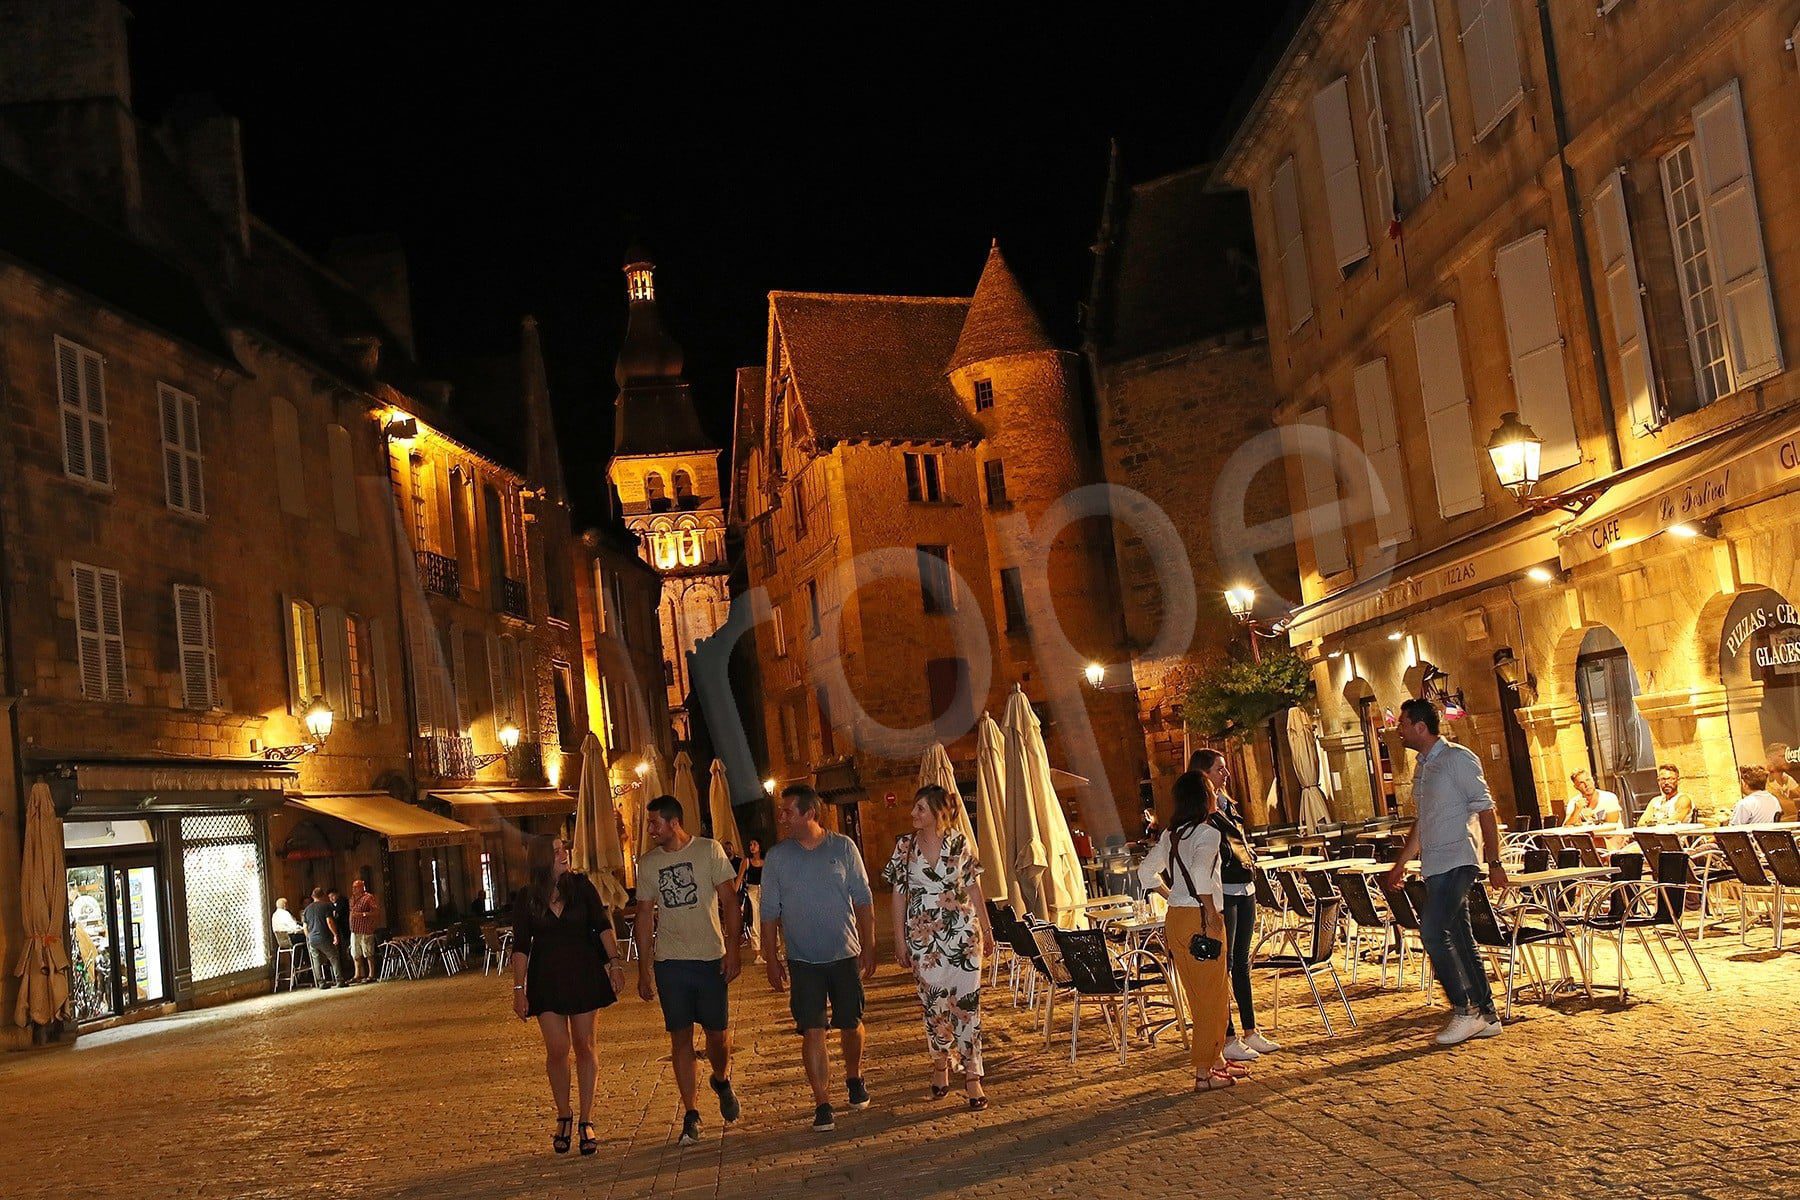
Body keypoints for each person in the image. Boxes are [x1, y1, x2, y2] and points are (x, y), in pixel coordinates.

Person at [1385, 699, 1507, 1046]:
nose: (1399, 731)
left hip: (1459, 859)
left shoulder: (1457, 758)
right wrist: (1402, 861)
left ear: (1420, 727)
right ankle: (1486, 1013)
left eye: (1403, 724)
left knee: (1433, 932)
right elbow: (1423, 822)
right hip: (1434, 865)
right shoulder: (1423, 768)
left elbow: (1485, 809)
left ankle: (1465, 1009)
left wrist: (1494, 862)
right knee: (1461, 937)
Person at [760, 783, 877, 1133]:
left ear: (809, 813)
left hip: (844, 953)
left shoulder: (843, 848)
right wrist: (771, 958)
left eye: (788, 811)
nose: (782, 818)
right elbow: (768, 913)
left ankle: (854, 1077)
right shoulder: (778, 858)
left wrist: (869, 946)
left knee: (850, 1022)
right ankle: (822, 1100)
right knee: (812, 1029)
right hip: (802, 959)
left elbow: (864, 899)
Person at [634, 794, 743, 1147]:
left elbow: (729, 901)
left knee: (717, 1035)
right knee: (679, 1037)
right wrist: (644, 968)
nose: (649, 829)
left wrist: (733, 951)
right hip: (671, 962)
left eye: (654, 823)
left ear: (673, 822)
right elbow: (643, 916)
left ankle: (721, 1079)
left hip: (710, 957)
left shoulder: (708, 851)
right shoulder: (648, 864)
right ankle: (691, 1113)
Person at [511, 835, 626, 1157]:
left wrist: (614, 964)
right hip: (546, 979)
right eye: (557, 851)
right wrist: (518, 989)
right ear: (541, 859)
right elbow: (520, 945)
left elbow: (602, 925)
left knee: (584, 1045)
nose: (565, 854)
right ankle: (564, 1113)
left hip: (584, 972)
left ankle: (586, 1119)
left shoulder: (582, 886)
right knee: (557, 1048)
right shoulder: (527, 897)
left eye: (565, 849)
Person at [884, 785, 994, 1110]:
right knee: (935, 1005)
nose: (913, 814)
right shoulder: (904, 847)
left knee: (968, 1004)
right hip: (924, 939)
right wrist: (899, 941)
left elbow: (974, 887)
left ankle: (973, 1074)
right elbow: (898, 895)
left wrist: (987, 929)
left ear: (937, 812)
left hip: (963, 936)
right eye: (914, 808)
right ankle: (941, 1061)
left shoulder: (959, 843)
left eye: (920, 808)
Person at [1138, 771, 1235, 1090]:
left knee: (1197, 994)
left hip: (1176, 917)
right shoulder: (1208, 834)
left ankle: (1215, 1060)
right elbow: (1198, 871)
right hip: (1200, 917)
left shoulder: (1171, 835)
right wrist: (1209, 911)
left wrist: (1170, 894)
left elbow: (1144, 873)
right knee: (1215, 996)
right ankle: (1203, 1073)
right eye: (1210, 789)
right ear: (1200, 797)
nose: (1214, 793)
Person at [1189, 749, 1278, 1064]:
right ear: (1204, 774)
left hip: (1245, 886)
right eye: (1219, 769)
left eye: (1225, 768)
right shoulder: (1204, 813)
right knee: (1223, 967)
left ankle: (1250, 1031)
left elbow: (1236, 839)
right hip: (1224, 890)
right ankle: (1228, 1037)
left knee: (1241, 962)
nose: (1225, 774)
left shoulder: (1227, 804)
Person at [301, 886, 342, 989]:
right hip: (324, 936)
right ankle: (339, 980)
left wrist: (309, 937)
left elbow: (304, 927)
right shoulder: (326, 906)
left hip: (312, 938)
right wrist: (335, 934)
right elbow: (329, 921)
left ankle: (321, 982)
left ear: (312, 896)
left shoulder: (306, 910)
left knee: (316, 960)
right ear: (323, 895)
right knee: (333, 957)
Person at [737, 839, 766, 962]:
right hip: (752, 892)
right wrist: (734, 896)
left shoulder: (766, 862)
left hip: (764, 891)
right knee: (755, 922)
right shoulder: (747, 862)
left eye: (755, 844)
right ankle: (757, 953)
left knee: (769, 920)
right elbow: (739, 878)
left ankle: (776, 949)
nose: (752, 847)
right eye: (750, 844)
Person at [347, 879, 380, 985]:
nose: (354, 889)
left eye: (356, 887)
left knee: (368, 952)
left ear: (362, 887)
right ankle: (358, 974)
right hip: (354, 930)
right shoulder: (352, 899)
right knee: (355, 953)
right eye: (353, 887)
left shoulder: (368, 898)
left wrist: (363, 915)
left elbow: (376, 912)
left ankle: (371, 974)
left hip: (365, 929)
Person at [1764, 745, 1800, 820]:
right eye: (1783, 756)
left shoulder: (1787, 778)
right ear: (1770, 759)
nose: (1787, 759)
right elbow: (1789, 807)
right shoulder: (1764, 780)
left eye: (1789, 755)